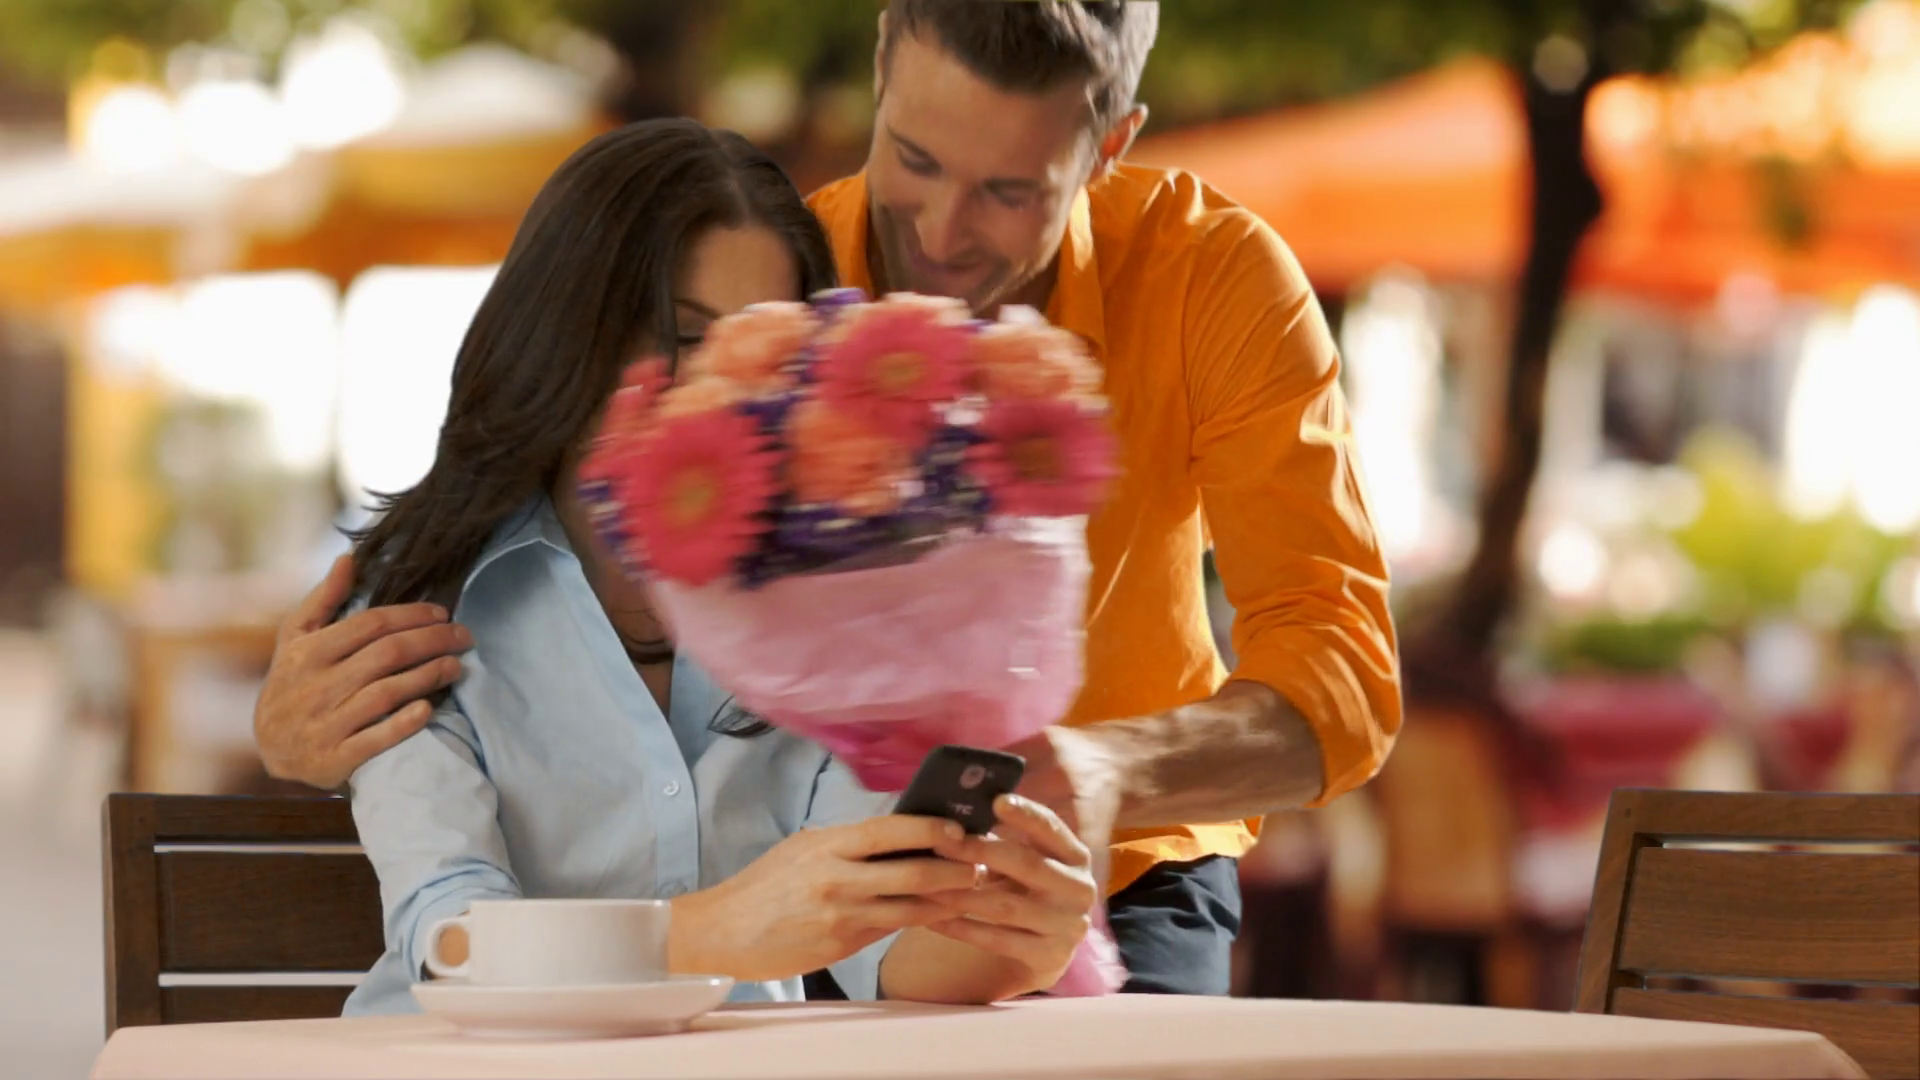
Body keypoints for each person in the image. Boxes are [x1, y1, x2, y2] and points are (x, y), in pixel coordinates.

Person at [257, 1, 1402, 998]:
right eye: (915, 156)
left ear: (1109, 148)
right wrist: (305, 730)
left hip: (1108, 874)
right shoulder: (774, 265)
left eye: (1008, 190)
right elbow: (460, 918)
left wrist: (1095, 776)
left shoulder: (1214, 282)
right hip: (806, 915)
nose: (944, 234)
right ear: (880, 69)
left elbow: (1342, 673)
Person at [338, 117, 1097, 1015]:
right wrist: (712, 930)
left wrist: (1015, 940)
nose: (718, 387)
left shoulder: (831, 598)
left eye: (759, 345)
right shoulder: (420, 611)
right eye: (684, 335)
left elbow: (882, 951)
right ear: (567, 330)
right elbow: (452, 943)